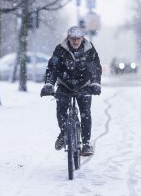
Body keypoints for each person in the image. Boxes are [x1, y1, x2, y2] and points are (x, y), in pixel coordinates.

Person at [40, 26, 102, 156]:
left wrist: (95, 83)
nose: (75, 42)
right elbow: (53, 67)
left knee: (85, 113)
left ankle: (86, 144)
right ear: (68, 37)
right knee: (61, 110)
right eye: (73, 38)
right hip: (65, 85)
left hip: (84, 85)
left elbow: (94, 67)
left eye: (78, 39)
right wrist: (49, 84)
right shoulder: (60, 49)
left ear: (82, 38)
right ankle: (63, 133)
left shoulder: (89, 49)